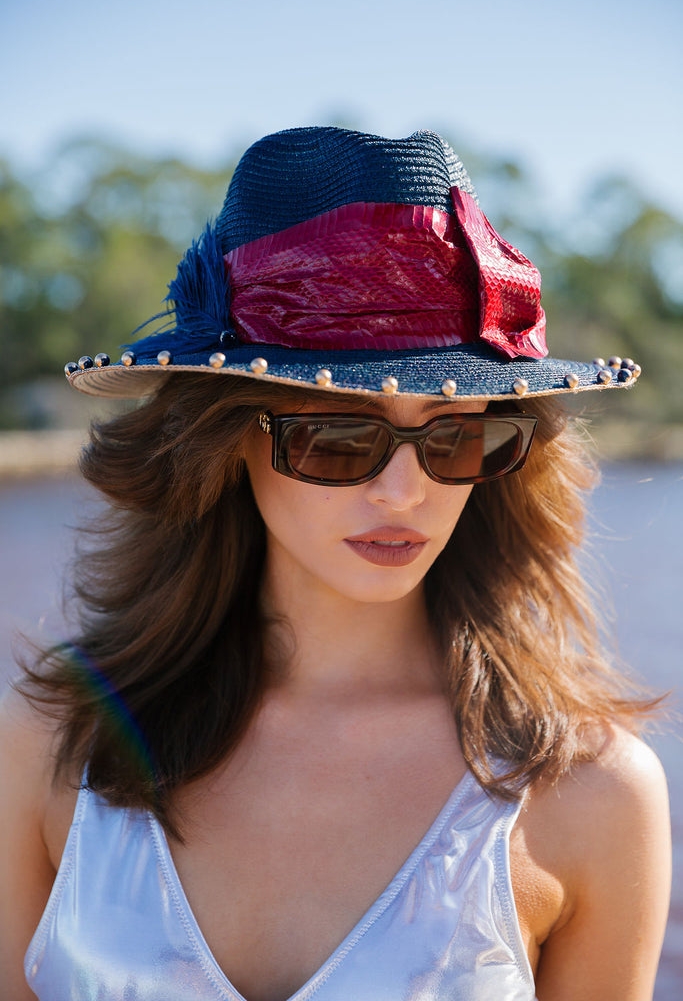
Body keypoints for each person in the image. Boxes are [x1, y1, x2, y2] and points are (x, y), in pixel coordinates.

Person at [0, 127, 671, 1001]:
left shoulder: (590, 795)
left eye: (456, 433)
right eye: (337, 434)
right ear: (228, 441)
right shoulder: (51, 745)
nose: (404, 491)